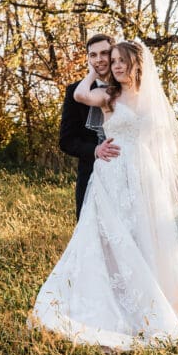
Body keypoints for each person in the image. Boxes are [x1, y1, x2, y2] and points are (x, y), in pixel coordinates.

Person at [30, 41, 178, 350]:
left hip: (146, 177)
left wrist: (174, 193)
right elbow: (80, 95)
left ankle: (156, 306)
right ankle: (107, 305)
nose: (116, 65)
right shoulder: (109, 95)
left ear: (137, 64)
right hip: (111, 176)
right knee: (108, 240)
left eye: (122, 60)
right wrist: (91, 71)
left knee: (147, 239)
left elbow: (164, 151)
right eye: (114, 60)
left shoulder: (152, 100)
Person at [59, 34, 121, 219]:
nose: (99, 59)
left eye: (104, 53)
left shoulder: (129, 88)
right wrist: (96, 150)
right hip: (92, 175)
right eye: (92, 55)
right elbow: (66, 140)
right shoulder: (75, 91)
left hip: (128, 173)